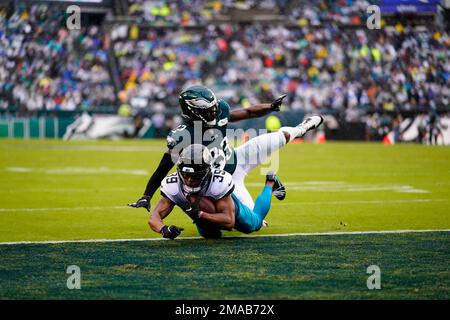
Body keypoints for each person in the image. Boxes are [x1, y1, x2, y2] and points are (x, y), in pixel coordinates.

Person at [129, 85, 323, 212]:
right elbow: (162, 168)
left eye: (214, 107)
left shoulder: (219, 111)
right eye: (208, 110)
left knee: (282, 137)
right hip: (224, 181)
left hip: (238, 157)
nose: (214, 111)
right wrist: (147, 195)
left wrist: (269, 107)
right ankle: (271, 183)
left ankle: (302, 127)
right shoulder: (182, 136)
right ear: (192, 112)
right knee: (255, 220)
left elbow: (246, 112)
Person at [148, 144, 277, 239]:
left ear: (207, 171)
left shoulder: (219, 182)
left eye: (195, 175)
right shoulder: (172, 185)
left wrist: (200, 214)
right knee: (211, 237)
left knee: (253, 225)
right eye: (185, 174)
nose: (189, 179)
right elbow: (154, 217)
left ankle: (270, 182)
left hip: (225, 209)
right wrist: (164, 229)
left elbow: (228, 221)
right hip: (200, 216)